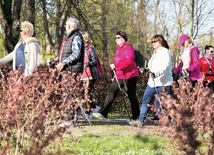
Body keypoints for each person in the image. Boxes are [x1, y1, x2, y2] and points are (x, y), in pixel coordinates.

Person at [93, 30, 140, 121]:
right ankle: (104, 114)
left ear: (124, 38)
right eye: (115, 38)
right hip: (119, 75)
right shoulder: (118, 49)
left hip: (130, 75)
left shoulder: (128, 47)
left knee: (131, 95)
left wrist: (116, 66)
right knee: (111, 92)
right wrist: (116, 70)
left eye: (118, 37)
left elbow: (129, 61)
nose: (116, 39)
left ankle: (136, 117)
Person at [129, 34, 173, 127]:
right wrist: (146, 70)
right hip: (152, 82)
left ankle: (167, 121)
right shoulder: (154, 53)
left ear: (160, 42)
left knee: (162, 103)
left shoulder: (165, 52)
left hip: (164, 81)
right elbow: (152, 66)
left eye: (155, 41)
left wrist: (156, 73)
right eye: (152, 42)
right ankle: (141, 120)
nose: (153, 43)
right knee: (145, 99)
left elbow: (165, 65)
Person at [56, 17, 84, 127]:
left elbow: (76, 54)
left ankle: (70, 120)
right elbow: (66, 53)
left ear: (69, 26)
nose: (65, 28)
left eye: (66, 25)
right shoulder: (69, 37)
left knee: (69, 95)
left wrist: (64, 63)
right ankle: (71, 118)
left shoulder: (75, 37)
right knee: (67, 94)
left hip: (72, 70)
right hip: (68, 69)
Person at [80, 32, 101, 119]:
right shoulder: (80, 49)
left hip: (90, 73)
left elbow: (95, 61)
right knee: (85, 93)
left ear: (86, 39)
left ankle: (88, 112)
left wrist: (87, 64)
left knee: (86, 93)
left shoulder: (90, 49)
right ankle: (94, 107)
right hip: (83, 73)